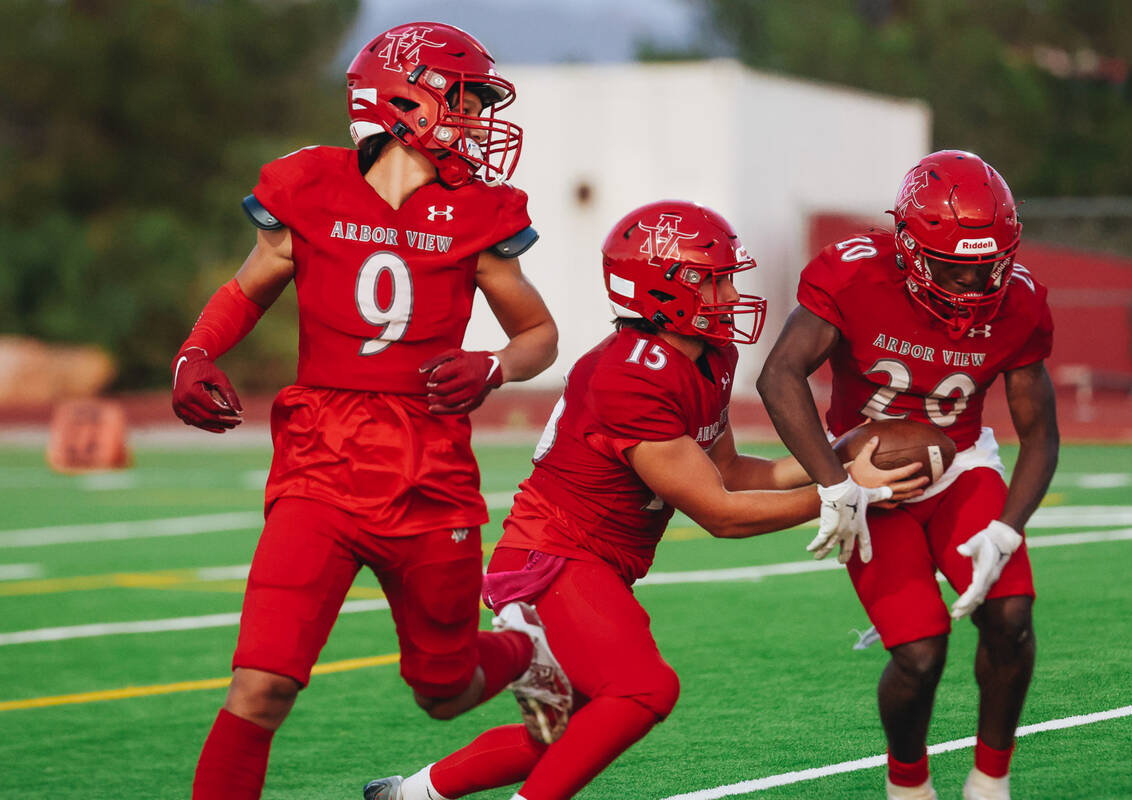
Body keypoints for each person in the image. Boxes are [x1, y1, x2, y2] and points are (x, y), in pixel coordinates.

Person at [362, 199, 928, 800]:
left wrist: (831, 464)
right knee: (641, 690)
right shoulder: (630, 373)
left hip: (591, 562)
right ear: (663, 290)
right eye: (713, 281)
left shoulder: (711, 356)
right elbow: (720, 515)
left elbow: (730, 472)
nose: (729, 293)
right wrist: (846, 497)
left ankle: (407, 795)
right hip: (552, 558)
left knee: (563, 733)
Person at [170, 22, 566, 800]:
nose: (479, 118)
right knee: (261, 687)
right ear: (402, 101)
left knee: (443, 690)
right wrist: (194, 351)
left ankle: (525, 656)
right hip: (320, 462)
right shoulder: (309, 184)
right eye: (465, 99)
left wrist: (493, 365)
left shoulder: (478, 211)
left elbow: (539, 335)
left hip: (430, 473)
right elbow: (248, 286)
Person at [757, 150, 1058, 800]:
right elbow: (779, 375)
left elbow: (1040, 433)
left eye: (987, 266)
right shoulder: (852, 273)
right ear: (910, 246)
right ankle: (908, 783)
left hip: (964, 464)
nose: (975, 285)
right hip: (870, 477)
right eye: (956, 266)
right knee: (919, 655)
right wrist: (834, 482)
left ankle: (990, 781)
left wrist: (1008, 528)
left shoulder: (1022, 301)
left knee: (1011, 616)